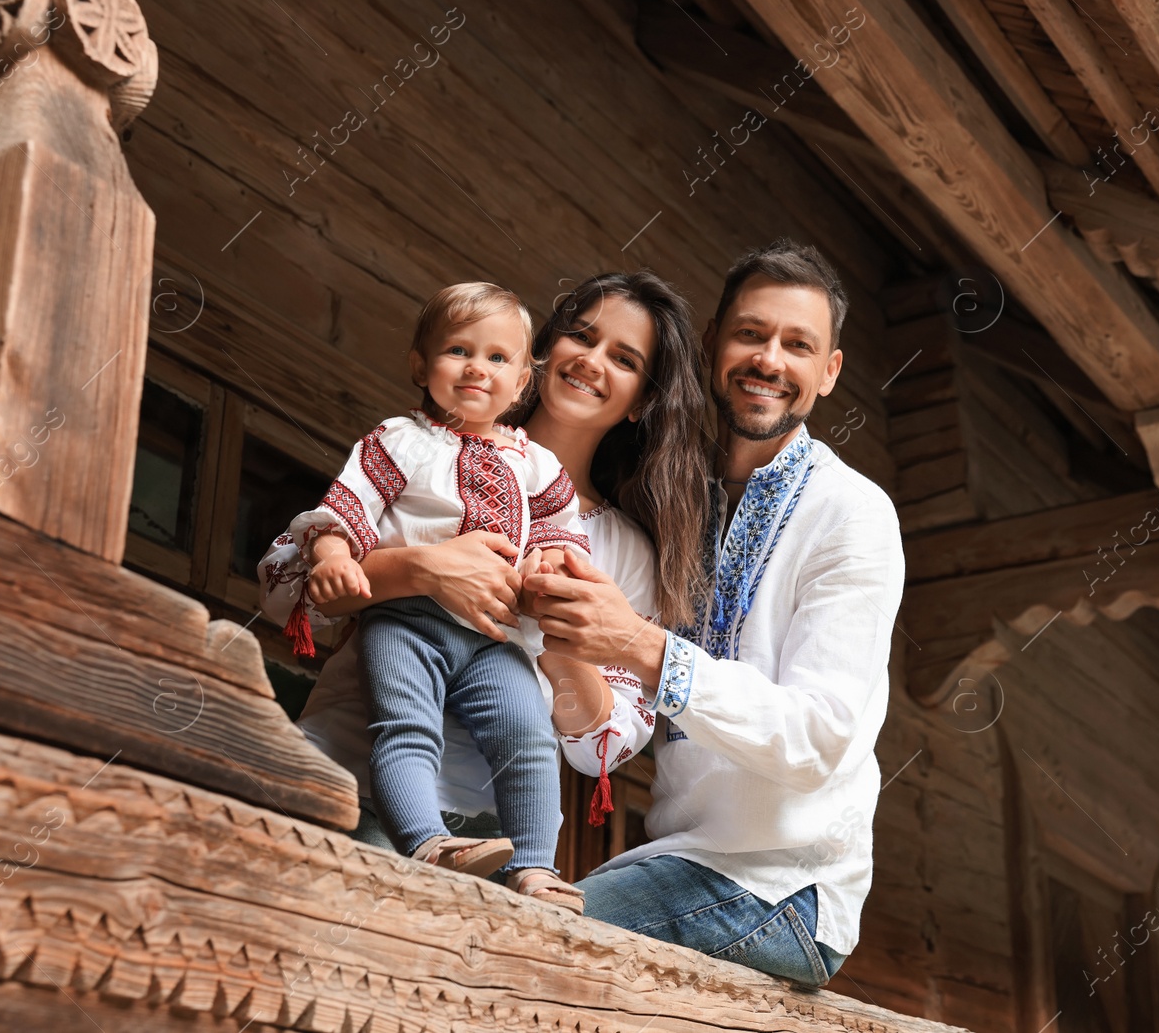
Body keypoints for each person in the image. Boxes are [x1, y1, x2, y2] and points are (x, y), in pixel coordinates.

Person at [261, 271, 710, 908]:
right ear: (544, 352)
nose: (591, 360)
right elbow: (284, 588)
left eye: (625, 358)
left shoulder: (624, 551)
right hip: (347, 777)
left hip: (490, 835)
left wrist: (565, 639)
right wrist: (420, 569)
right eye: (580, 336)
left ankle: (533, 863)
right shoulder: (417, 446)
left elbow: (603, 749)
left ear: (641, 399)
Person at [525, 239, 906, 987]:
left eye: (798, 345)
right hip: (675, 862)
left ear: (829, 371)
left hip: (781, 884)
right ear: (712, 345)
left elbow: (818, 736)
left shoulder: (852, 512)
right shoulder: (673, 499)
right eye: (751, 334)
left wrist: (641, 645)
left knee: (528, 946)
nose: (770, 359)